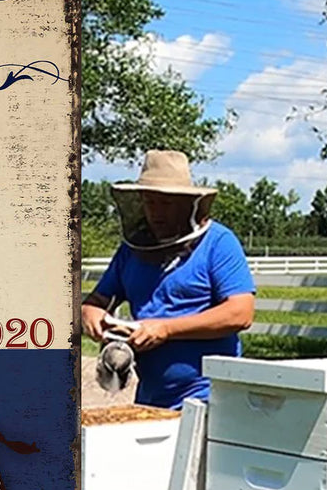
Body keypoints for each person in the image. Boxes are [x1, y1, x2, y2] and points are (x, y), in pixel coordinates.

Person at [82, 150, 255, 410]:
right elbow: (98, 299)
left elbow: (240, 313)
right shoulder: (132, 250)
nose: (156, 212)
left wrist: (166, 329)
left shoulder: (218, 243)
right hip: (150, 397)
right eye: (149, 202)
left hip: (210, 396)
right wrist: (89, 312)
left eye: (166, 203)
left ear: (188, 203)